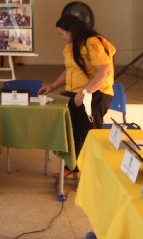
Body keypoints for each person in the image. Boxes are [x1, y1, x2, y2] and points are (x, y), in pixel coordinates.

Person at [38, 14, 115, 179]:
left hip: (94, 95)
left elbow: (104, 72)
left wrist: (86, 92)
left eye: (63, 33)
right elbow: (70, 70)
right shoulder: (73, 46)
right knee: (75, 134)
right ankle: (74, 167)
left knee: (89, 136)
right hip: (78, 94)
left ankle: (90, 178)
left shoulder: (93, 42)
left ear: (71, 30)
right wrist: (52, 86)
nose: (62, 37)